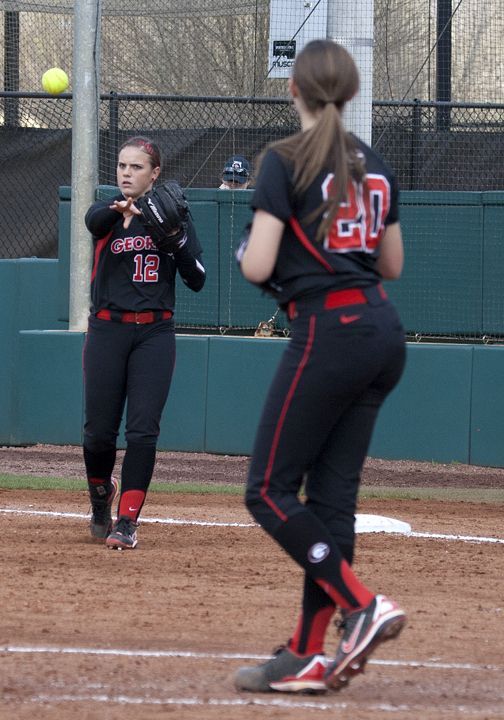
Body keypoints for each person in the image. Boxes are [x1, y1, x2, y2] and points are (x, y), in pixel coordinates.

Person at [234, 40, 407, 693]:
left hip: (329, 328)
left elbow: (256, 265)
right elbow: (391, 264)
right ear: (352, 93)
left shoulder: (284, 159)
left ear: (294, 92)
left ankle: (362, 604)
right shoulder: (377, 164)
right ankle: (309, 653)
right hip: (381, 330)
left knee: (267, 490)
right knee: (331, 503)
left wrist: (250, 245)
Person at [83, 136, 206, 549]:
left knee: (142, 431)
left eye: (136, 167)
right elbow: (92, 220)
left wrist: (176, 239)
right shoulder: (107, 213)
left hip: (154, 332)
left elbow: (198, 277)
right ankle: (101, 497)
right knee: (99, 434)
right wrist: (119, 212)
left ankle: (127, 522)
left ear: (155, 174)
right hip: (107, 330)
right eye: (121, 166)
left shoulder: (173, 217)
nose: (126, 174)